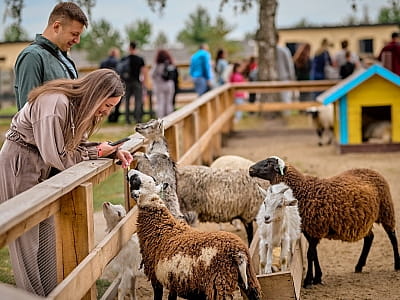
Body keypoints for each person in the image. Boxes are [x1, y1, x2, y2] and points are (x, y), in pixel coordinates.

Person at [0, 69, 133, 296]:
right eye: (108, 105)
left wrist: (110, 151)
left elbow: (75, 149)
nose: (107, 111)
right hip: (20, 166)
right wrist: (96, 153)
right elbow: (58, 156)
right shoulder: (56, 104)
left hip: (44, 170)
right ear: (96, 93)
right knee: (27, 245)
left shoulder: (75, 108)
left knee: (48, 244)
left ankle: (54, 295)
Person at [14, 2, 88, 111]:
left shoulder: (64, 58)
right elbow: (27, 113)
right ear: (57, 26)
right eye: (74, 34)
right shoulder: (32, 57)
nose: (77, 41)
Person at [111, 41, 148, 124]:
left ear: (129, 48)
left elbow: (119, 70)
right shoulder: (140, 59)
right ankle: (138, 118)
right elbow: (144, 71)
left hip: (126, 82)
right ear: (136, 48)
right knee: (138, 101)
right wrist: (145, 83)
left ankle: (127, 119)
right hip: (137, 82)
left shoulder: (124, 58)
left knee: (127, 101)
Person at [151, 49, 176, 118]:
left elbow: (152, 74)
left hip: (159, 85)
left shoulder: (157, 65)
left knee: (160, 103)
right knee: (169, 103)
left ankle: (161, 119)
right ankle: (170, 118)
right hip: (169, 85)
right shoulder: (170, 64)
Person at [276, 33, 296, 111]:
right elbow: (289, 65)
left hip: (276, 78)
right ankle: (286, 114)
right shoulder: (284, 50)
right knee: (285, 99)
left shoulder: (269, 51)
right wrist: (292, 77)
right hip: (284, 78)